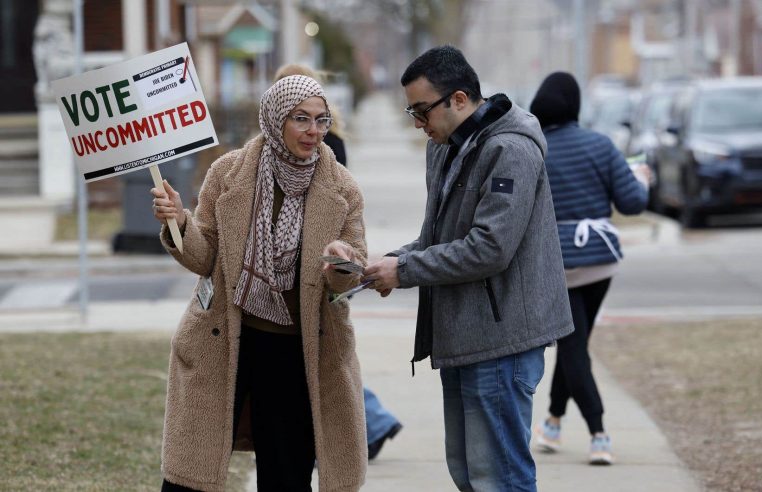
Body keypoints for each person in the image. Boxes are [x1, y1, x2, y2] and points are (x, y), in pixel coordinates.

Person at [363, 46, 574, 491]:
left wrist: (404, 271)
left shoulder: (511, 150)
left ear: (459, 99)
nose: (418, 123)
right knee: (469, 473)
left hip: (503, 340)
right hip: (464, 332)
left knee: (500, 477)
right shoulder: (445, 147)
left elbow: (489, 248)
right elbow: (439, 237)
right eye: (411, 111)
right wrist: (392, 261)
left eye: (423, 111)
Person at [150, 75, 368, 491]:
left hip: (298, 350)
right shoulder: (228, 173)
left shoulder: (342, 188)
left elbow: (352, 268)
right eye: (301, 119)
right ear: (274, 119)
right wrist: (179, 221)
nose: (314, 131)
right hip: (226, 337)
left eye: (321, 120)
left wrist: (342, 265)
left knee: (286, 476)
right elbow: (205, 257)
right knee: (188, 479)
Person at [275, 63, 404, 461]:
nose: (310, 129)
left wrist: (338, 253)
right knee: (321, 365)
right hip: (288, 285)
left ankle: (373, 421)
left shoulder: (328, 148)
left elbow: (338, 207)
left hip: (323, 271)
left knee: (326, 364)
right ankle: (371, 422)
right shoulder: (255, 159)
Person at [528, 71, 650, 466]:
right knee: (575, 344)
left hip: (555, 264)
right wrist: (641, 180)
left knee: (573, 346)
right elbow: (632, 204)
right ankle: (553, 421)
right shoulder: (601, 145)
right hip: (599, 264)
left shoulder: (534, 148)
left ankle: (598, 433)